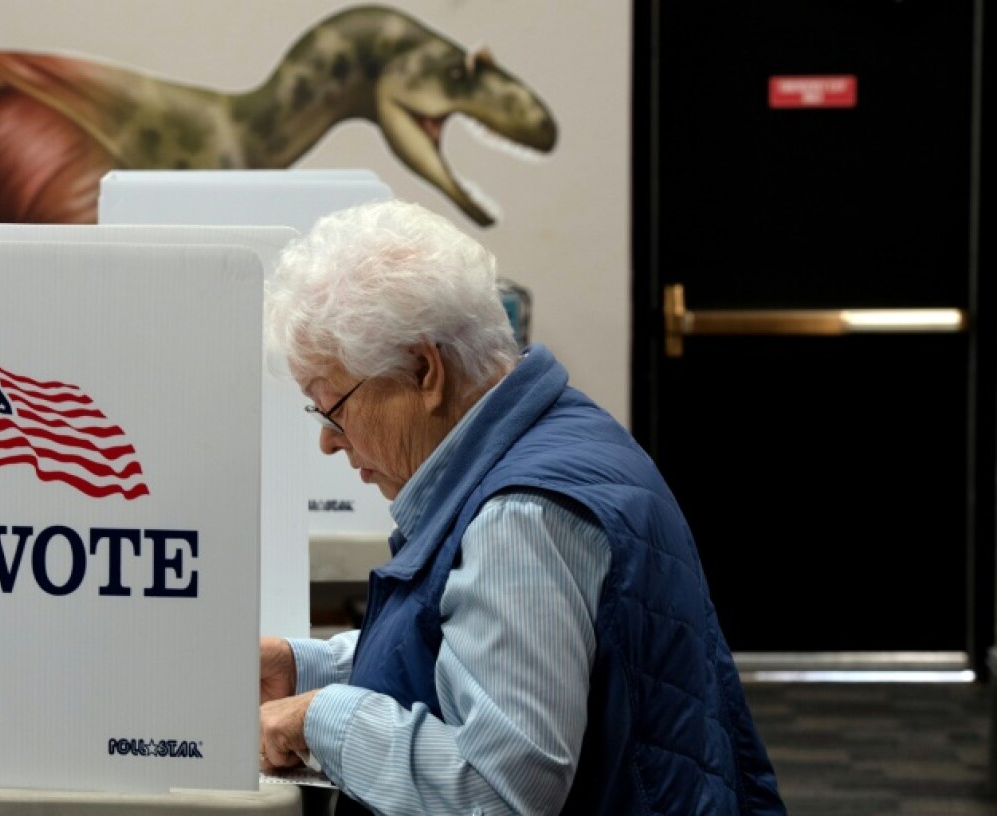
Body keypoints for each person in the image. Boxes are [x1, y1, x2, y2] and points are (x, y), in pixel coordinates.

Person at [258, 198, 786, 815]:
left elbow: (498, 789)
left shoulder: (521, 518)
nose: (327, 439)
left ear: (425, 370)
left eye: (333, 406)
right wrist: (312, 668)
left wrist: (327, 718)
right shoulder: (558, 436)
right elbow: (475, 652)